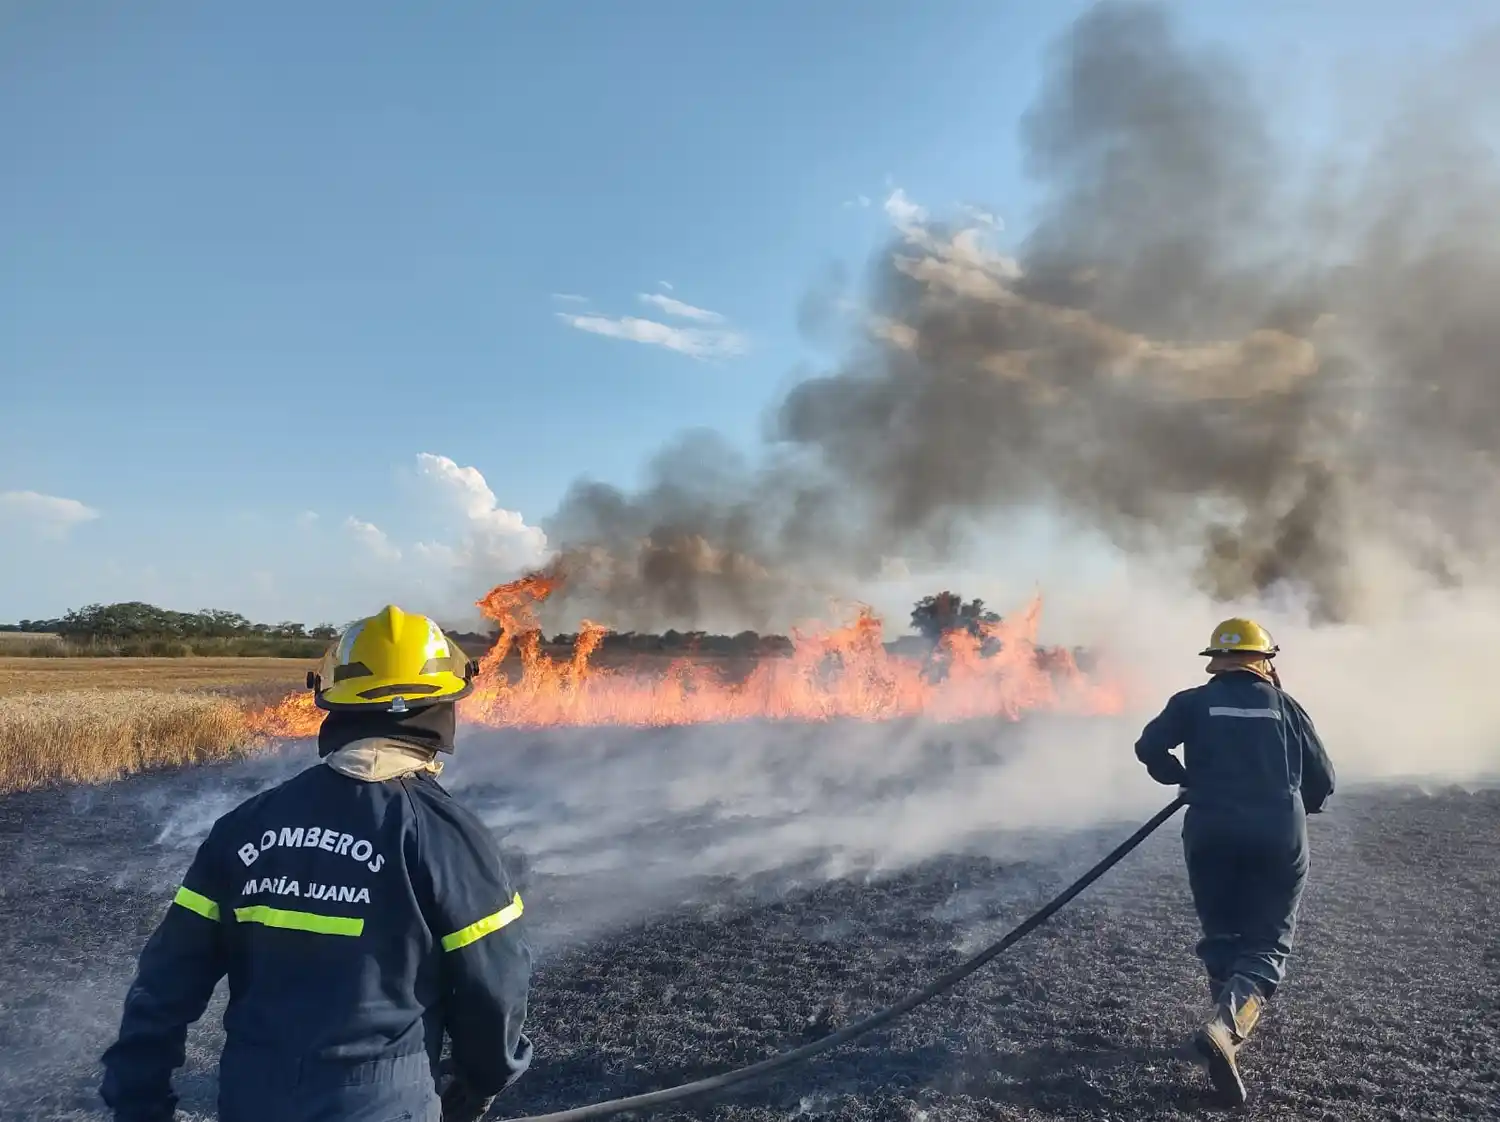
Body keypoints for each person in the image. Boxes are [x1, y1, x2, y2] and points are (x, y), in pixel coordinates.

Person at [99, 605, 533, 1122]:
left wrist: (138, 1097)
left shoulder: (245, 826)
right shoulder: (448, 837)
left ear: (333, 705)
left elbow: (166, 979)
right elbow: (496, 985)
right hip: (381, 1101)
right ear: (442, 709)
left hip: (253, 1098)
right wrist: (482, 1081)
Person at [1133, 617, 1334, 1107]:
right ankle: (1225, 1028)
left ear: (1216, 661)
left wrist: (1180, 777)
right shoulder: (1286, 707)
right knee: (1267, 941)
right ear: (1264, 661)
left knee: (1222, 933)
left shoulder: (1192, 702)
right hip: (1276, 834)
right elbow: (1322, 780)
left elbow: (1148, 747)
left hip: (1211, 830)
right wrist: (1293, 809)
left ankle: (1222, 1026)